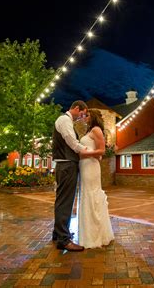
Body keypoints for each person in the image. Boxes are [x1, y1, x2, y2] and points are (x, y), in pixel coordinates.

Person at [52, 100, 98, 251]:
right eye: (82, 113)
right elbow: (71, 142)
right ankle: (64, 240)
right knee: (65, 201)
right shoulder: (64, 120)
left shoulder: (65, 120)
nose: (81, 117)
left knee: (62, 200)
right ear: (77, 108)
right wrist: (87, 150)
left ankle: (58, 234)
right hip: (67, 165)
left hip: (65, 164)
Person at [78, 109, 115, 248]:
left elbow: (102, 151)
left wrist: (84, 154)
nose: (84, 117)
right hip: (85, 165)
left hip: (91, 167)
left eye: (86, 115)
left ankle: (95, 236)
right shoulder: (90, 131)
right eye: (83, 115)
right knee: (86, 195)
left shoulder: (97, 130)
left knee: (91, 196)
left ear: (92, 116)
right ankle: (88, 234)